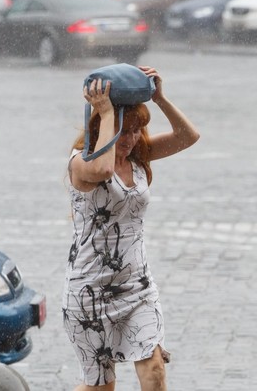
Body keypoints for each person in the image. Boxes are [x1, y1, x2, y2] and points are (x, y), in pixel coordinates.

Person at [63, 65, 200, 391]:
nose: (132, 138)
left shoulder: (139, 157)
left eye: (137, 130)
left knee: (154, 371)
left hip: (137, 287)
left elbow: (188, 137)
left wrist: (161, 98)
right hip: (89, 292)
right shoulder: (80, 162)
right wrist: (107, 111)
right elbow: (103, 167)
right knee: (101, 388)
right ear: (101, 126)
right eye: (125, 130)